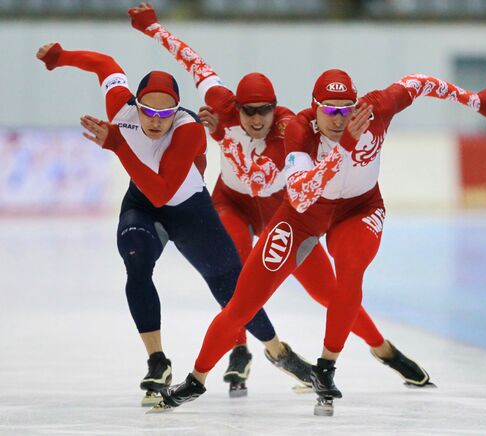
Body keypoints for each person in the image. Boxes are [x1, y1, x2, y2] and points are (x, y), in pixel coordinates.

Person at [150, 67, 486, 415]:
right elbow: (301, 194)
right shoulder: (298, 129)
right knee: (242, 305)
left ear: (356, 105)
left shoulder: (377, 109)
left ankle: (325, 367)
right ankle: (196, 380)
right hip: (301, 215)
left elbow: (420, 83)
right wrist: (344, 149)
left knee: (350, 271)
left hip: (357, 210)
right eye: (329, 111)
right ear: (315, 107)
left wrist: (474, 100)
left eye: (345, 111)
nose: (338, 120)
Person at [128, 2, 434, 397]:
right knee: (235, 278)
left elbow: (320, 174)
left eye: (265, 112)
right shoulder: (222, 107)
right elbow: (192, 61)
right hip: (232, 202)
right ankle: (239, 350)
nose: (256, 121)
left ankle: (383, 350)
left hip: (280, 212)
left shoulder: (290, 130)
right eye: (249, 112)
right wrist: (153, 28)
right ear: (235, 107)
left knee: (329, 293)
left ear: (277, 109)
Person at [35, 42, 312, 406]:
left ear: (177, 111)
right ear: (134, 104)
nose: (155, 121)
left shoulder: (189, 130)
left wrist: (117, 145)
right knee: (136, 259)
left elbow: (164, 192)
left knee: (234, 292)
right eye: (148, 110)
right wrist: (60, 59)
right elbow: (105, 62)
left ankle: (277, 351)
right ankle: (157, 361)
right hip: (142, 206)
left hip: (187, 209)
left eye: (165, 114)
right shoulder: (120, 108)